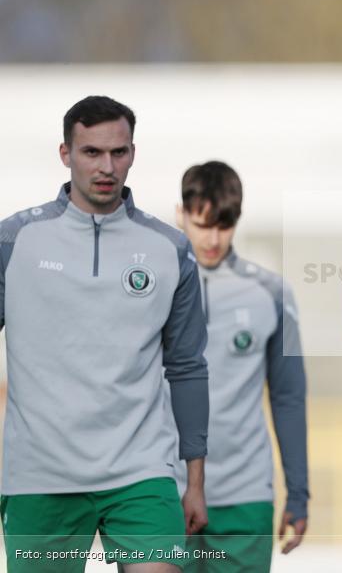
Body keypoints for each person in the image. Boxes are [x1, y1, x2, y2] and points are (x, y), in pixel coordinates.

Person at [0, 95, 208, 572]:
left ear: (133, 152)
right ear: (65, 153)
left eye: (119, 152)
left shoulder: (169, 249)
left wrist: (194, 482)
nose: (107, 166)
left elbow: (188, 367)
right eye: (92, 152)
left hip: (142, 472)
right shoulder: (13, 241)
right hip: (40, 475)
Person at [174, 161, 309, 572]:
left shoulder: (270, 293)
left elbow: (288, 397)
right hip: (163, 494)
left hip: (244, 494)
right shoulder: (150, 289)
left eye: (224, 225)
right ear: (181, 215)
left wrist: (298, 492)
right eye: (202, 225)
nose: (213, 239)